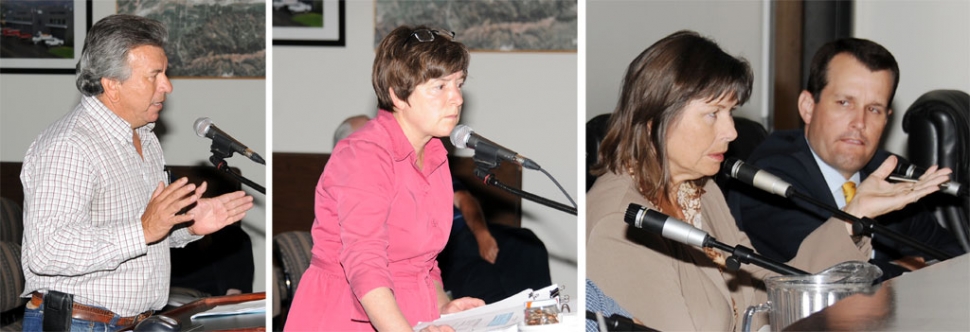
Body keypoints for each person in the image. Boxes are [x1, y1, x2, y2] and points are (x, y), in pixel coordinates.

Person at [585, 30, 951, 331]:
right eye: (713, 114)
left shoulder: (700, 190)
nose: (731, 132)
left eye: (731, 112)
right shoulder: (617, 222)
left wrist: (855, 214)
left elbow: (772, 288)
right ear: (654, 120)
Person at [19, 14, 254, 331]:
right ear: (112, 85)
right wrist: (144, 229)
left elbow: (141, 237)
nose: (167, 86)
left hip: (132, 323)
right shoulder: (69, 146)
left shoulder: (143, 137)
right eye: (154, 76)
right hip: (79, 324)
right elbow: (47, 251)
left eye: (166, 73)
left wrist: (188, 227)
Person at [284, 26, 484, 331]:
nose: (457, 98)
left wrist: (444, 306)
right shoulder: (363, 154)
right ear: (398, 94)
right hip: (346, 317)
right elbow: (365, 262)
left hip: (411, 315)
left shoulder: (435, 154)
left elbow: (423, 263)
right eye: (439, 86)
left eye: (458, 83)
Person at [727, 38, 964, 281]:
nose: (859, 122)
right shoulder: (769, 177)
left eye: (874, 109)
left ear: (886, 120)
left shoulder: (886, 171)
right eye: (844, 103)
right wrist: (909, 267)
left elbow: (954, 259)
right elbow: (826, 276)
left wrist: (888, 269)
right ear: (808, 107)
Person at [332, 115, 553, 304]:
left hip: (465, 230)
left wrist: (481, 233)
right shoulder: (352, 188)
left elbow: (464, 198)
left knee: (528, 243)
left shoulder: (415, 166)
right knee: (478, 269)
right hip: (442, 247)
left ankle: (542, 315)